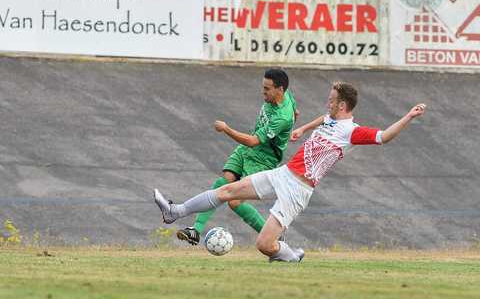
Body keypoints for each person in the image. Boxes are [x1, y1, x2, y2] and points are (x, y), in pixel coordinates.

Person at [154, 81, 427, 262]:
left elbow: (385, 136)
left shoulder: (352, 132)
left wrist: (409, 116)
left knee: (265, 245)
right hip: (283, 174)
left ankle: (291, 256)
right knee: (226, 190)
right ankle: (174, 212)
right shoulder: (332, 118)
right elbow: (324, 119)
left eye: (331, 100)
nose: (327, 103)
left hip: (298, 189)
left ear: (342, 105)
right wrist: (304, 128)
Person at [175, 68, 298, 245]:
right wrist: (295, 120)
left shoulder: (282, 117)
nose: (263, 92)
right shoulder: (288, 97)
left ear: (280, 89)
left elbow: (253, 141)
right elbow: (295, 110)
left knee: (234, 202)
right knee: (225, 180)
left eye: (267, 89)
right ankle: (196, 230)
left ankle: (275, 238)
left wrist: (226, 129)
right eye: (263, 87)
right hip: (246, 150)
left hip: (263, 157)